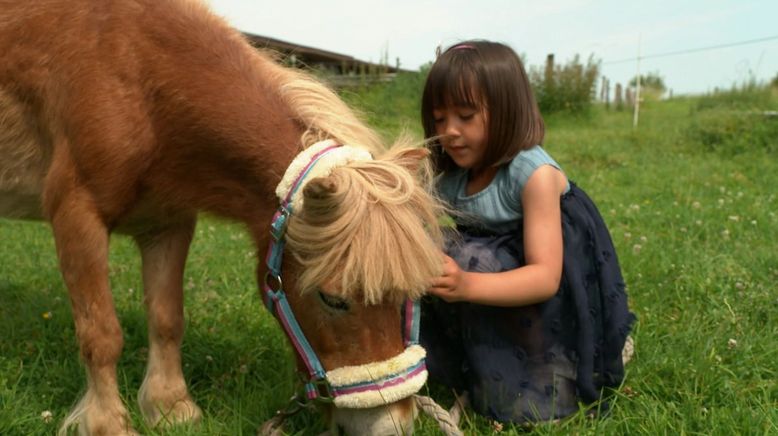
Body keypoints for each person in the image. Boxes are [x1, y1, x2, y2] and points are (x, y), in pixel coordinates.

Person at [419, 40, 635, 424]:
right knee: (424, 249)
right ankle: (465, 360)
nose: (449, 131)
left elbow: (545, 277)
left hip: (553, 279)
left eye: (465, 116)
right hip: (494, 261)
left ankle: (541, 365)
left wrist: (466, 284)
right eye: (439, 119)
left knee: (472, 261)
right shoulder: (451, 169)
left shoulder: (532, 174)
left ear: (505, 111)